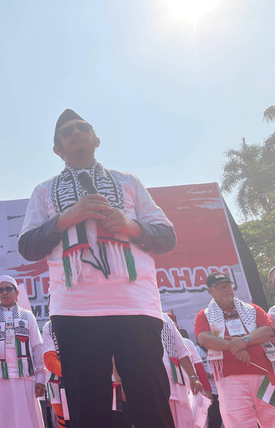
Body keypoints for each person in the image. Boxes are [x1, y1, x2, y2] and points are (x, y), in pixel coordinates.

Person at [18, 109, 177, 428]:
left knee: (151, 403)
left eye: (83, 128)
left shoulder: (128, 182)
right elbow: (28, 246)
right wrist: (66, 217)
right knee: (87, 409)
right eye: (67, 132)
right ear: (57, 149)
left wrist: (132, 227)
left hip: (136, 306)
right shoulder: (43, 191)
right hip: (76, 311)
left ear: (96, 139)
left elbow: (167, 236)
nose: (76, 134)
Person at [195, 272, 275, 427]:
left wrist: (244, 341)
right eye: (220, 287)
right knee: (239, 423)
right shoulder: (204, 315)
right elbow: (204, 338)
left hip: (264, 376)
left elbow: (267, 331)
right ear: (210, 291)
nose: (226, 290)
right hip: (229, 379)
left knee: (272, 418)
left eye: (228, 286)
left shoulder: (253, 309)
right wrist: (234, 347)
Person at [0, 275, 46, 428]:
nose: (4, 293)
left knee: (26, 420)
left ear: (16, 292)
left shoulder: (28, 316)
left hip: (25, 378)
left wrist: (41, 379)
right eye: (0, 290)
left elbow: (37, 347)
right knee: (2, 421)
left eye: (8, 289)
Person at [160, 313, 203, 428]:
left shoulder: (163, 318)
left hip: (176, 387)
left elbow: (181, 351)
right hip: (149, 387)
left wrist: (193, 377)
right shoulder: (130, 317)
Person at [41, 320, 66, 428]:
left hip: (83, 380)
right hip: (57, 383)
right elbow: (49, 359)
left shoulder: (82, 320)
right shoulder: (49, 326)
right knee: (63, 422)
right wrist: (70, 373)